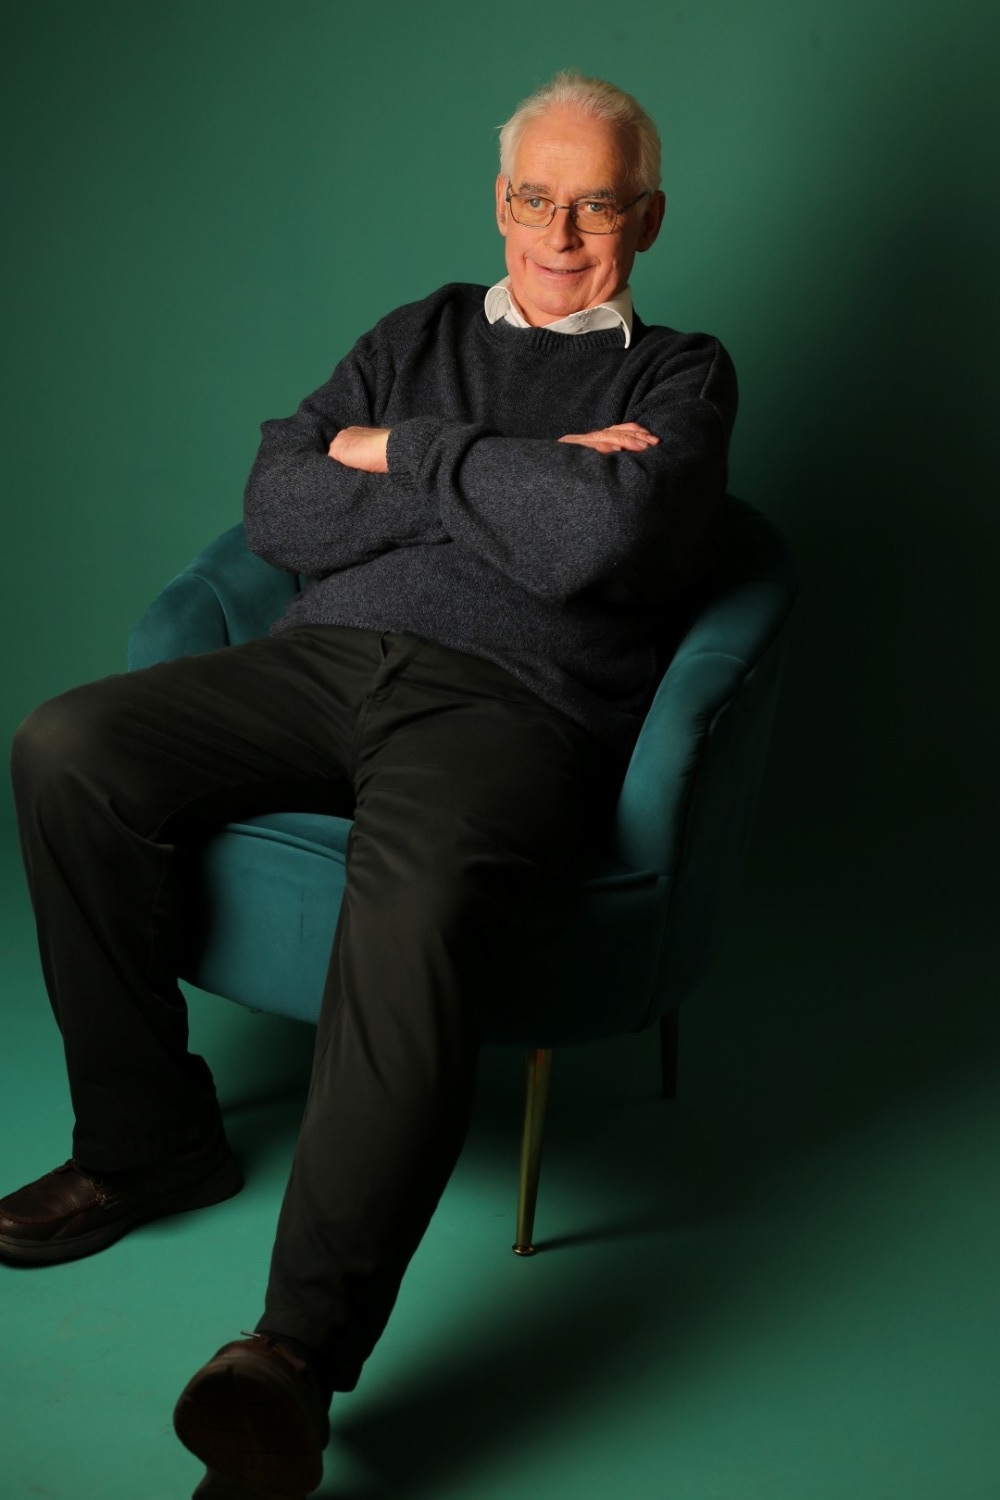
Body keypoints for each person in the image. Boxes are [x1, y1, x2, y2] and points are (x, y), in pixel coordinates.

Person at [1, 70, 737, 1500]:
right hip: (323, 662)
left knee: (414, 910)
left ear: (646, 218)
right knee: (65, 746)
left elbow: (599, 545)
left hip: (514, 708)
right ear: (501, 202)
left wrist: (397, 455)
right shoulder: (417, 331)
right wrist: (524, 472)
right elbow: (279, 503)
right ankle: (146, 1144)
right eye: (537, 198)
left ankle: (289, 1358)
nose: (561, 234)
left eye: (596, 206)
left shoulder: (681, 377)